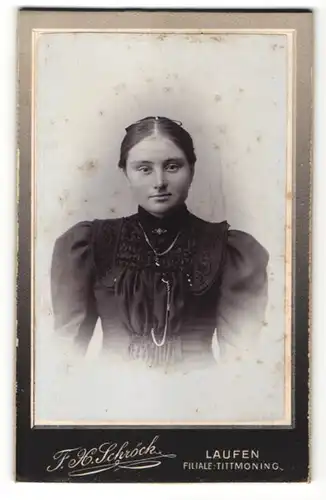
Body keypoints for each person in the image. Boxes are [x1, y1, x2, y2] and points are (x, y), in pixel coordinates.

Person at [51, 116, 269, 373]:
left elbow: (241, 362)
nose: (159, 182)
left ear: (192, 169)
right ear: (126, 173)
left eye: (172, 166)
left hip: (200, 398)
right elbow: (65, 356)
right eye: (144, 168)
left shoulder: (230, 249)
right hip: (112, 397)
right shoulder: (89, 244)